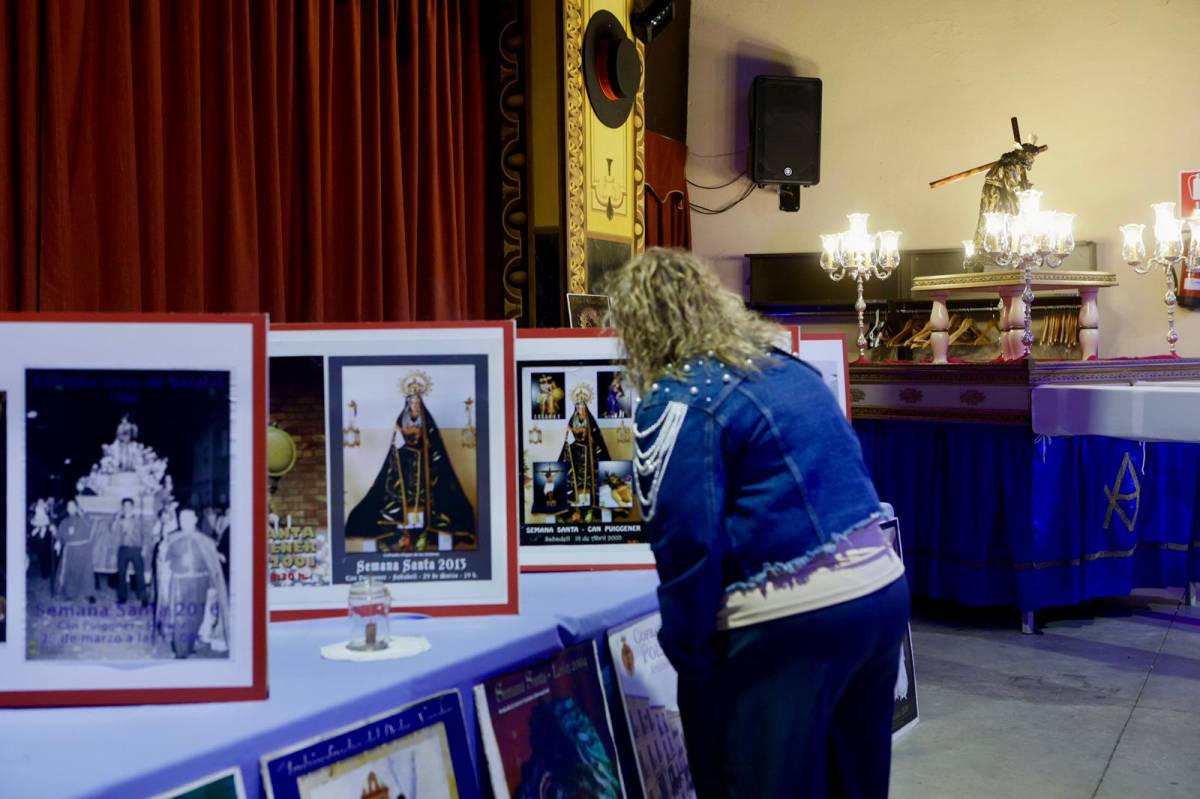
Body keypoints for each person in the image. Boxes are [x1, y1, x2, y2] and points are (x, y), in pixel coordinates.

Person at [607, 248, 910, 798]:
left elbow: (685, 539)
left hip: (793, 620)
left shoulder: (680, 396)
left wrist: (689, 652)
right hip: (881, 594)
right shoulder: (785, 367)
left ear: (640, 328)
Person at [345, 371, 476, 552]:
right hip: (404, 471)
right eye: (412, 402)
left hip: (424, 471)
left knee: (445, 504)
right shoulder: (401, 421)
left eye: (417, 402)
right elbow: (395, 448)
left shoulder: (427, 423)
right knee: (384, 504)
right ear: (407, 404)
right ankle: (398, 541)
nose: (414, 405)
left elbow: (434, 447)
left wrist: (422, 442)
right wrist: (402, 438)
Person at [157, 508, 229, 658]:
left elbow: (212, 562)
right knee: (181, 615)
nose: (184, 522)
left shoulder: (205, 540)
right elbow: (163, 561)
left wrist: (217, 557)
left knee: (197, 615)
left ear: (195, 520)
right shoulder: (172, 539)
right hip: (180, 582)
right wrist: (161, 552)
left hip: (201, 581)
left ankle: (189, 646)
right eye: (182, 518)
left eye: (188, 518)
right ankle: (180, 651)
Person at [557, 385, 610, 523]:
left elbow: (595, 436)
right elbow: (568, 436)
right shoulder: (573, 419)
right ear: (576, 407)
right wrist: (570, 433)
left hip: (588, 452)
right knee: (571, 476)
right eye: (578, 406)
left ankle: (592, 510)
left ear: (585, 407)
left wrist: (588, 435)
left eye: (582, 406)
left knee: (592, 477)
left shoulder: (589, 420)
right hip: (575, 452)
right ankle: (574, 510)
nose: (580, 408)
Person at [55, 500, 95, 602]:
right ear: (67, 509)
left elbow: (91, 527)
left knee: (87, 572)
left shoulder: (85, 517)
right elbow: (60, 536)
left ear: (77, 507)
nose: (71, 508)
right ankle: (70, 593)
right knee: (71, 572)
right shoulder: (64, 522)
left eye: (73, 506)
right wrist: (60, 538)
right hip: (71, 549)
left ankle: (89, 593)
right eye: (69, 506)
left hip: (84, 549)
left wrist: (82, 515)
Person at [114, 498, 148, 604]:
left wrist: (145, 547)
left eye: (129, 505)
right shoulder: (119, 520)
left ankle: (143, 596)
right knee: (121, 573)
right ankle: (122, 597)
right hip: (123, 549)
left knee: (139, 573)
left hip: (136, 549)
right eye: (125, 506)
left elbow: (145, 534)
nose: (127, 508)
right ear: (122, 507)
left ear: (132, 507)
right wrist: (115, 519)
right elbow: (112, 530)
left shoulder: (139, 519)